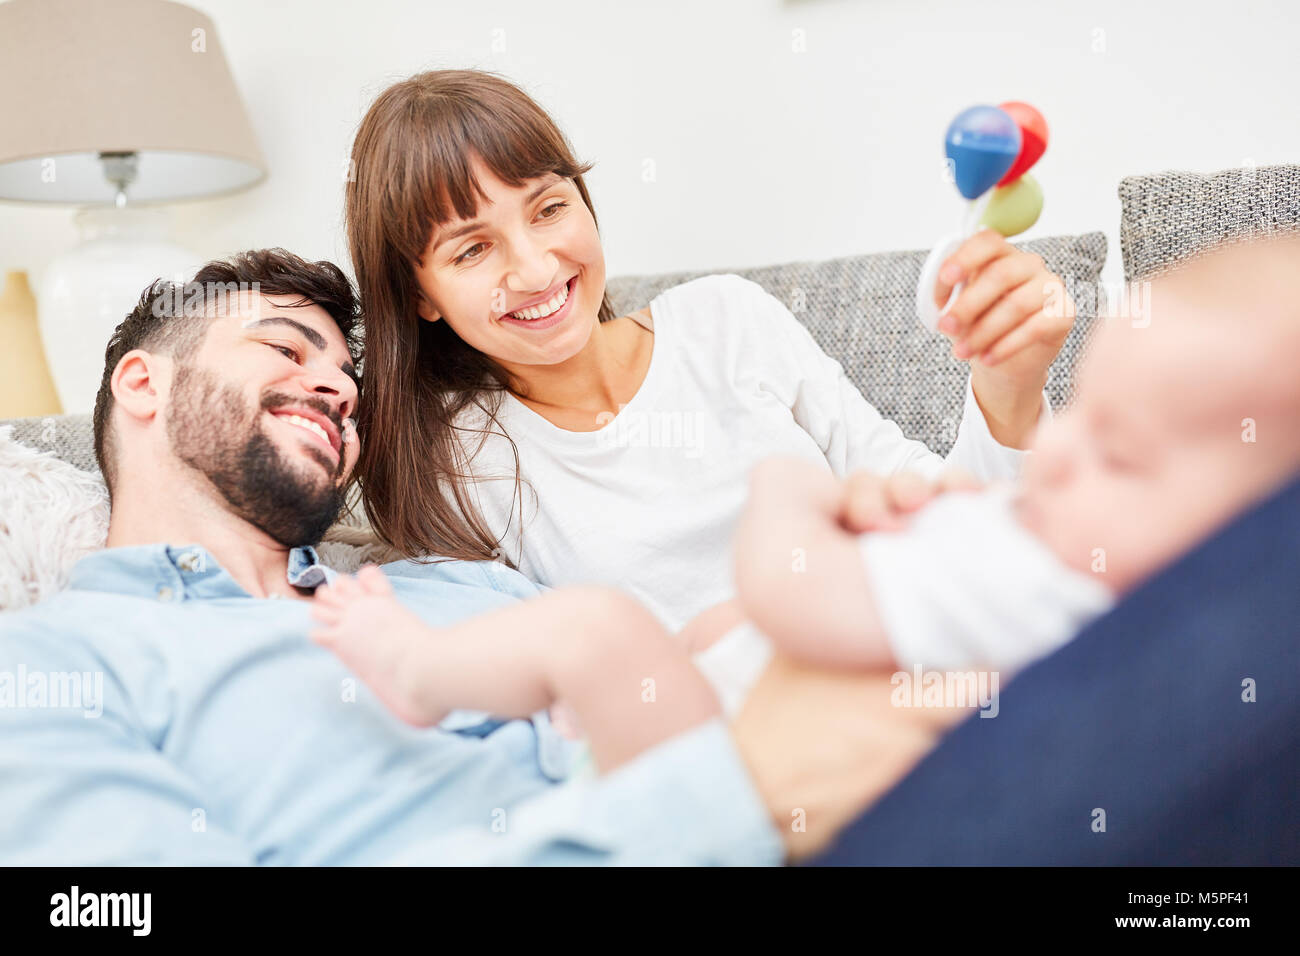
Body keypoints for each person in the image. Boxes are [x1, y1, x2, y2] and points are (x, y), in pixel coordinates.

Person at [0, 248, 968, 865]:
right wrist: (731, 798)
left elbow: (672, 684)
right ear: (142, 381)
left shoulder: (455, 580)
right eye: (287, 348)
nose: (335, 389)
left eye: (346, 379)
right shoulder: (49, 664)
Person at [343, 69, 1077, 632]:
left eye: (549, 207)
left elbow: (959, 521)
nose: (535, 268)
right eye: (472, 249)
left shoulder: (727, 320)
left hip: (909, 652)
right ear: (419, 295)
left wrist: (1009, 386)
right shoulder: (457, 458)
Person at [728, 233, 1300, 688]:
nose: (1047, 448)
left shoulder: (1046, 588)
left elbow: (787, 587)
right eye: (1076, 409)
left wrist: (783, 486)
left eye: (1116, 454)